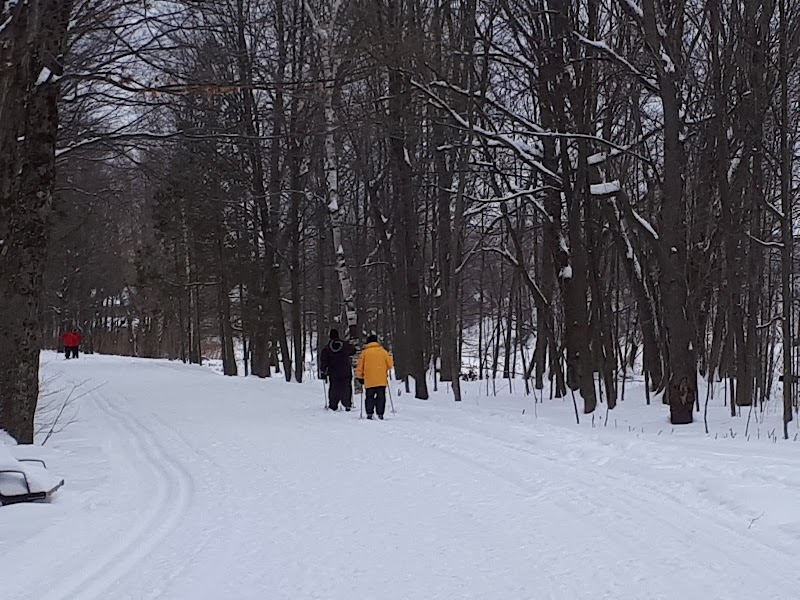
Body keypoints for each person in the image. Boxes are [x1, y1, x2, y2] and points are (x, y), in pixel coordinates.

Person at [356, 334, 394, 420]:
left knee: (369, 397)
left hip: (369, 380)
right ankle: (380, 413)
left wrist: (360, 377)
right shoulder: (383, 351)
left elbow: (360, 367)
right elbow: (390, 364)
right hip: (381, 379)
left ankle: (369, 413)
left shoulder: (364, 353)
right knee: (381, 397)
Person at [319, 328, 356, 411]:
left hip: (333, 372)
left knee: (334, 387)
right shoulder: (345, 345)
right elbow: (353, 351)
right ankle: (347, 404)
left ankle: (333, 404)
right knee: (346, 387)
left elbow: (323, 361)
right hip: (345, 370)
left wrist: (323, 371)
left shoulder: (327, 348)